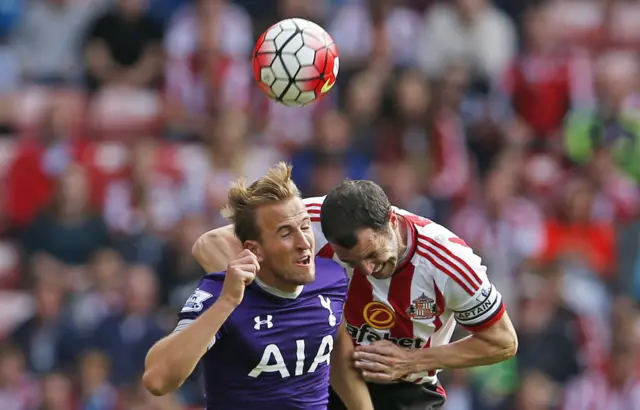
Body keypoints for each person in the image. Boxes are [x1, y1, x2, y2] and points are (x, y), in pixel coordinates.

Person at [192, 179, 518, 410]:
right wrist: (279, 304)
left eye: (373, 255)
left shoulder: (448, 263)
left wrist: (413, 359)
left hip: (404, 390)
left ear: (390, 220)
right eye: (350, 262)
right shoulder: (313, 222)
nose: (367, 271)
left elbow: (502, 341)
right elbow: (212, 244)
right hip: (319, 377)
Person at [142, 163, 373, 410]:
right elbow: (157, 380)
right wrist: (227, 303)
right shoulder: (222, 292)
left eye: (305, 226)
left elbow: (336, 352)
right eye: (286, 233)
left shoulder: (332, 278)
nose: (304, 242)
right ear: (255, 250)